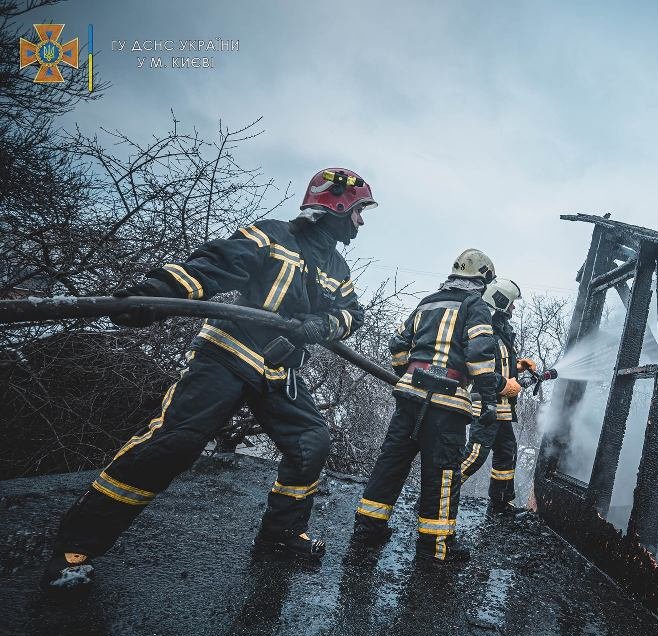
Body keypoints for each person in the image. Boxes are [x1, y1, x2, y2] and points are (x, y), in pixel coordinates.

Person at [41, 168, 375, 592]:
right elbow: (216, 264)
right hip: (227, 356)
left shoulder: (337, 266)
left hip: (278, 371)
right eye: (360, 212)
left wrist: (323, 324)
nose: (361, 223)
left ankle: (280, 537)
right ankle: (75, 550)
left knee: (311, 441)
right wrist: (158, 293)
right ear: (340, 206)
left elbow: (352, 314)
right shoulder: (272, 235)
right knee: (174, 442)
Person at [352, 249, 499, 563]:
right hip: (447, 407)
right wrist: (488, 400)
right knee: (442, 475)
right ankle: (434, 549)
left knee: (391, 464)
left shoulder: (428, 301)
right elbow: (481, 356)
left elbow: (398, 345)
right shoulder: (476, 306)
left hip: (409, 399)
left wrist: (406, 377)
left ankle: (367, 531)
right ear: (483, 277)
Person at [458, 278, 536, 513]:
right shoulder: (485, 329)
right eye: (511, 303)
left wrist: (518, 366)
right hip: (486, 405)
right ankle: (438, 494)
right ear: (500, 300)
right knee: (475, 455)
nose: (513, 308)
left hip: (502, 408)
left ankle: (501, 502)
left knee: (506, 451)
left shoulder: (500, 330)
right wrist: (505, 386)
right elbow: (480, 369)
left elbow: (498, 362)